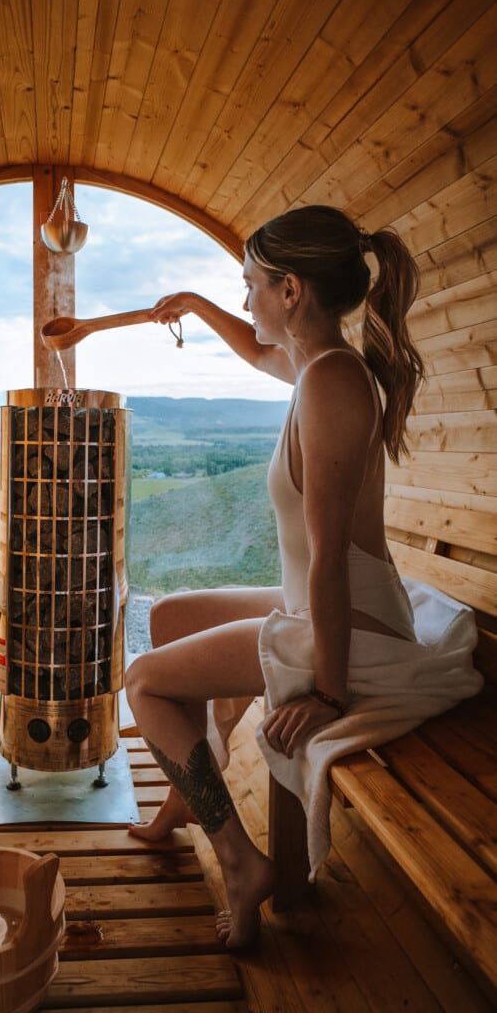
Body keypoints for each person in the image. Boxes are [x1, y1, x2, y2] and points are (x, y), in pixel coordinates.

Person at [124, 204, 481, 950]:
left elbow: (326, 556)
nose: (246, 298)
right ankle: (191, 786)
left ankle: (242, 863)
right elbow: (257, 356)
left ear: (289, 290)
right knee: (171, 616)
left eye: (250, 284)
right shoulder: (315, 365)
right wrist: (195, 306)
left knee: (145, 680)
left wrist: (327, 688)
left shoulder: (331, 383)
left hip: (351, 623)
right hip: (323, 603)